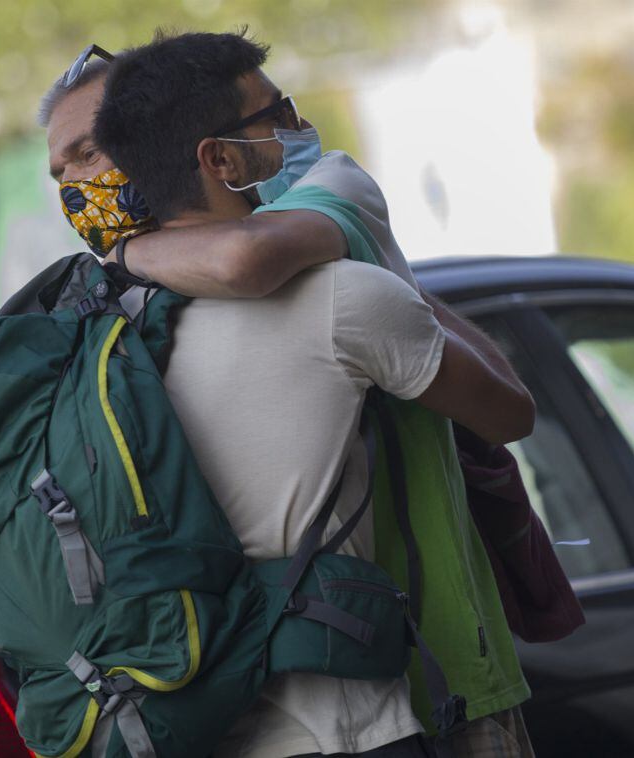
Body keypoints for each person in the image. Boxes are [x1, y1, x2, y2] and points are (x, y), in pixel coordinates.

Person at [38, 33, 537, 757]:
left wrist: (118, 258)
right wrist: (377, 258)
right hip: (388, 703)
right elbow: (511, 409)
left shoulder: (90, 332)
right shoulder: (342, 292)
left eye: (89, 151)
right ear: (219, 157)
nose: (299, 129)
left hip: (199, 723)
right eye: (279, 114)